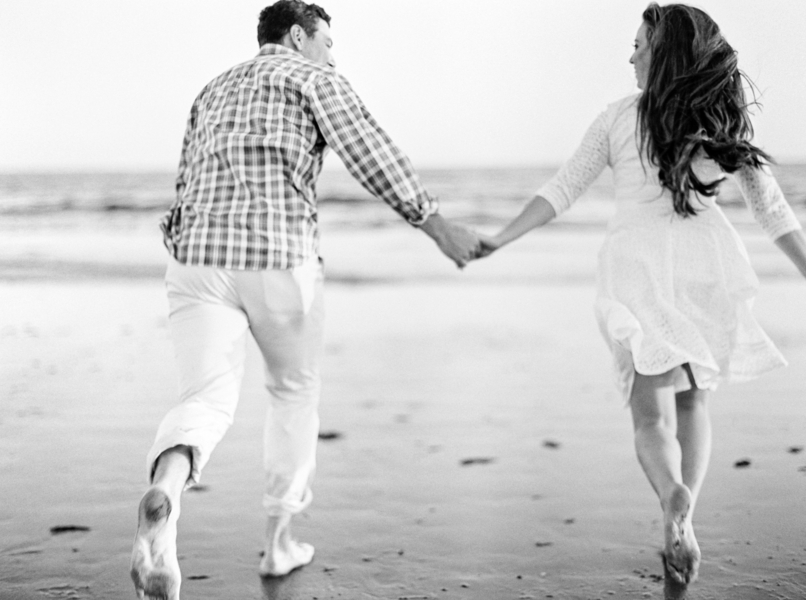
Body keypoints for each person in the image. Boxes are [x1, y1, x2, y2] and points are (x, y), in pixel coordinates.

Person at [129, 2, 479, 598]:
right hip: (278, 259)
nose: (333, 56)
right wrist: (436, 223)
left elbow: (186, 180)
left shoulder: (211, 89)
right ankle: (278, 543)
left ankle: (168, 486)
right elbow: (372, 155)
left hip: (195, 261)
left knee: (205, 397)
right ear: (298, 36)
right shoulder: (313, 78)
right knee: (293, 394)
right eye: (328, 42)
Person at [474, 2, 806, 586]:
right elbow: (773, 212)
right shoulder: (719, 122)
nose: (630, 54)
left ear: (663, 53)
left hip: (636, 265)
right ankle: (688, 514)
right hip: (705, 264)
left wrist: (500, 238)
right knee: (695, 400)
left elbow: (563, 189)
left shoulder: (616, 118)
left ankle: (670, 494)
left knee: (649, 416)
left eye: (638, 44)